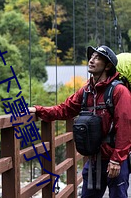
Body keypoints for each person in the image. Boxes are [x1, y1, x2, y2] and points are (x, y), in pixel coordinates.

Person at [28, 45, 131, 198]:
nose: (91, 60)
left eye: (97, 58)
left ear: (108, 66)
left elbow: (125, 126)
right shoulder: (86, 91)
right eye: (91, 57)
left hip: (114, 160)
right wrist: (39, 110)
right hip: (94, 159)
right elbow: (64, 109)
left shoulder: (119, 91)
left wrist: (117, 160)